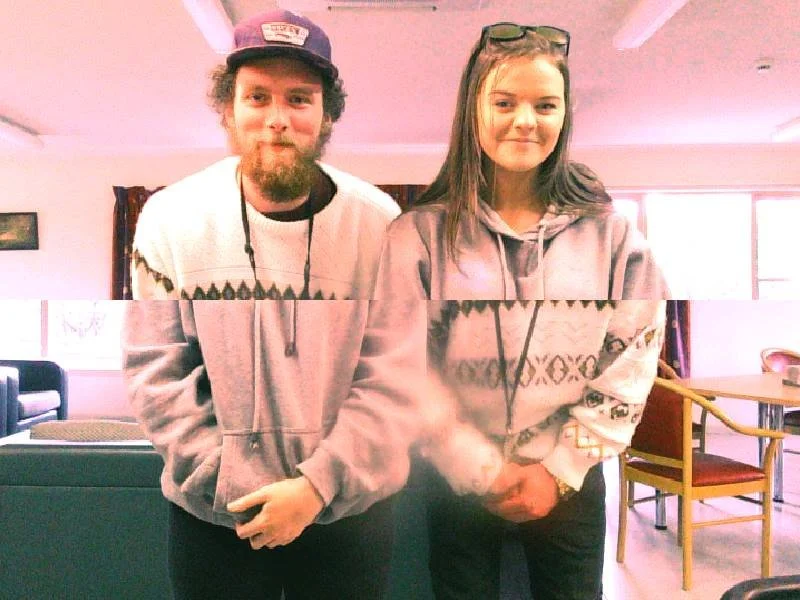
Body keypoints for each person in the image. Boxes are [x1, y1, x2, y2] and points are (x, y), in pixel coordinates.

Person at [123, 10, 425, 600]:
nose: (277, 120)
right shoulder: (168, 218)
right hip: (216, 516)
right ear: (228, 110)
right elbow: (155, 373)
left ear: (327, 114)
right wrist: (237, 486)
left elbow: (397, 375)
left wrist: (314, 488)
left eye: (300, 99)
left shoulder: (382, 225)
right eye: (257, 97)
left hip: (351, 513)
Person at [374, 23, 669, 600]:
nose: (525, 120)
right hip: (453, 481)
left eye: (545, 104)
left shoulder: (612, 237)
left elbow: (635, 353)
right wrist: (477, 466)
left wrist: (559, 469)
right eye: (504, 102)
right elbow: (398, 359)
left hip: (571, 479)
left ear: (565, 116)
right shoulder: (418, 236)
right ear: (473, 110)